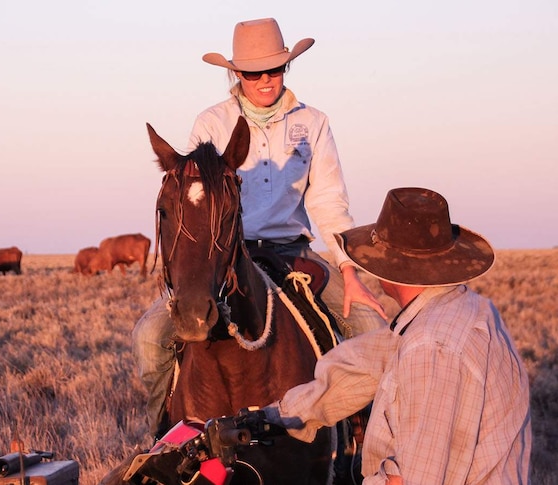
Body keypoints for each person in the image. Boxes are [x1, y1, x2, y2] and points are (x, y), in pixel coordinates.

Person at [133, 17, 388, 438]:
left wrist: (349, 271)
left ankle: (365, 446)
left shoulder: (314, 123)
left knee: (370, 328)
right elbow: (199, 206)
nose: (265, 79)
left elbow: (328, 200)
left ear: (287, 67)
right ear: (236, 73)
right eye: (253, 71)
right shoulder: (212, 123)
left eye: (275, 68)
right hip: (228, 256)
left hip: (293, 252)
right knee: (149, 337)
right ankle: (163, 437)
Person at [259, 187, 532, 484]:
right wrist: (269, 419)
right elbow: (358, 369)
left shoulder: (431, 346)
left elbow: (416, 478)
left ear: (389, 265)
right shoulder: (457, 311)